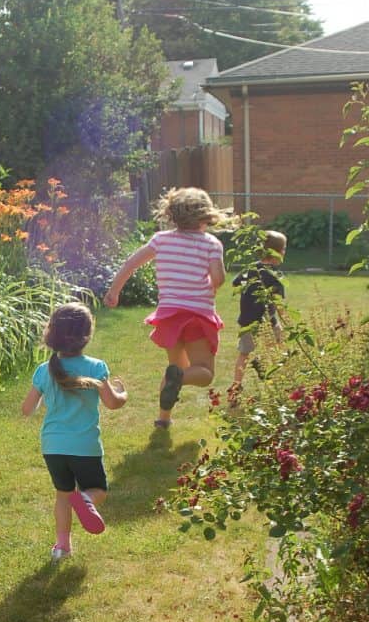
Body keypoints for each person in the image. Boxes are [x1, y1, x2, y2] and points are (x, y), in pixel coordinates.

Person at [104, 187, 226, 428]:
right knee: (203, 373)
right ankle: (177, 384)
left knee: (175, 369)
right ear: (205, 215)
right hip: (196, 317)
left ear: (172, 214)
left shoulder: (161, 240)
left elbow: (131, 263)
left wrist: (114, 291)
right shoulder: (211, 243)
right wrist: (212, 285)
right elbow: (218, 277)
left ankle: (163, 419)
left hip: (169, 317)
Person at [21, 302, 127, 562]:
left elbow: (26, 409)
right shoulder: (95, 366)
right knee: (97, 490)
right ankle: (87, 501)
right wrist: (124, 393)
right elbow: (112, 403)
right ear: (86, 336)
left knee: (63, 495)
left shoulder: (44, 370)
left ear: (52, 333)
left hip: (52, 447)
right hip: (84, 446)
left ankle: (61, 547)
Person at [231, 230, 287, 389]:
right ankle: (270, 376)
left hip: (247, 321)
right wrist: (286, 321)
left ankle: (236, 386)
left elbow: (235, 283)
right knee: (277, 347)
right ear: (276, 253)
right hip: (268, 321)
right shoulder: (275, 275)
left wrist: (248, 290)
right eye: (283, 250)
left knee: (244, 353)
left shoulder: (251, 269)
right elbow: (278, 302)